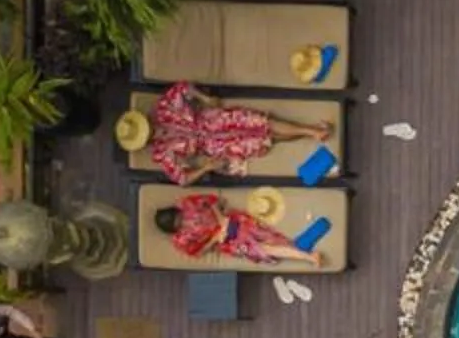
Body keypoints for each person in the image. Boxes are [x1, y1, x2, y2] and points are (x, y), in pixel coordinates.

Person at [141, 83, 331, 185]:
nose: (154, 131)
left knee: (263, 122)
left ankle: (312, 130)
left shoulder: (163, 110)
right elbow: (182, 179)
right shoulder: (162, 153)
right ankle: (311, 132)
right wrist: (205, 168)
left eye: (148, 127)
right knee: (266, 139)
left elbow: (182, 88)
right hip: (213, 147)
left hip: (213, 120)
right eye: (148, 135)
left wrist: (205, 99)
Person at [153, 194, 330, 268]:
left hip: (233, 221)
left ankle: (300, 249)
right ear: (173, 231)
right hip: (228, 242)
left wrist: (221, 218)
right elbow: (198, 253)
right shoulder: (180, 241)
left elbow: (212, 200)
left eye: (180, 217)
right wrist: (215, 239)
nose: (184, 222)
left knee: (269, 237)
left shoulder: (186, 204)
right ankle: (309, 256)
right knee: (263, 250)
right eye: (179, 225)